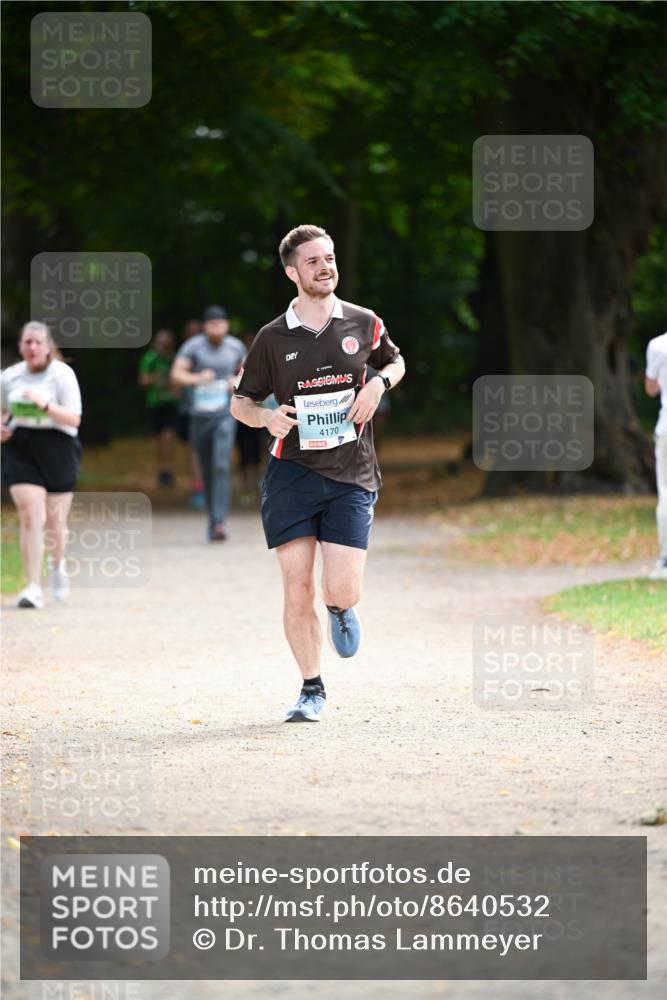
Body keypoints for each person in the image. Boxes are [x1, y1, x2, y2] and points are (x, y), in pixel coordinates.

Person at [231, 224, 405, 722]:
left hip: (351, 473)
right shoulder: (271, 338)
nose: (325, 266)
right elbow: (240, 404)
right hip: (291, 475)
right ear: (292, 273)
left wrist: (377, 386)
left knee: (341, 588)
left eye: (329, 258)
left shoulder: (362, 322)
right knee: (296, 585)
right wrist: (266, 417)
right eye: (313, 262)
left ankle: (340, 608)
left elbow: (395, 363)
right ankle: (311, 688)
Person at [0, 321, 82, 608]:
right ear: (21, 346)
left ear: (48, 347)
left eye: (38, 342)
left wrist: (45, 405)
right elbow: (2, 412)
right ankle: (33, 586)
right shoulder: (9, 376)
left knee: (55, 522)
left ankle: (57, 566)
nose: (32, 347)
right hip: (21, 446)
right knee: (30, 515)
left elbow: (74, 419)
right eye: (27, 342)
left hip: (59, 446)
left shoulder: (62, 374)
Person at [171, 305, 245, 540]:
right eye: (211, 324)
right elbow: (176, 375)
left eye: (220, 323)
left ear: (227, 325)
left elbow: (250, 373)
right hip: (199, 416)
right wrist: (198, 378)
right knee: (208, 468)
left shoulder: (235, 346)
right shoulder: (193, 346)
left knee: (221, 464)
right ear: (205, 326)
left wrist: (236, 380)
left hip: (225, 414)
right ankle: (213, 520)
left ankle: (220, 522)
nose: (216, 328)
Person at [138, 328, 179, 487]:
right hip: (154, 403)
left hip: (170, 403)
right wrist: (157, 377)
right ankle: (160, 469)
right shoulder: (150, 359)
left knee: (168, 437)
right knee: (157, 439)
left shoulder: (175, 359)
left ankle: (168, 469)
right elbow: (143, 380)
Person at [236, 333, 268, 504]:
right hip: (243, 415)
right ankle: (246, 488)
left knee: (260, 453)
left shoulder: (266, 357)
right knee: (244, 456)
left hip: (262, 414)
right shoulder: (240, 360)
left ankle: (258, 486)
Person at [645, 329, 667, 581]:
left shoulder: (658, 345)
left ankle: (665, 560)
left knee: (666, 494)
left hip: (666, 429)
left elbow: (650, 388)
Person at [178, 318, 206, 509]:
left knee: (219, 453)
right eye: (190, 331)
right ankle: (198, 489)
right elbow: (176, 381)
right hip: (192, 411)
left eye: (196, 330)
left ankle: (214, 488)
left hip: (219, 412)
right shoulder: (185, 353)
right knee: (195, 451)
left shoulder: (212, 350)